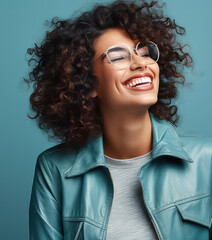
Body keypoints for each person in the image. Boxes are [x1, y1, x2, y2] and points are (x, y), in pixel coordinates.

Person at [24, 0, 212, 239]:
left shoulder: (206, 159)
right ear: (87, 83)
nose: (141, 63)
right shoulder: (55, 169)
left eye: (144, 52)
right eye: (118, 57)